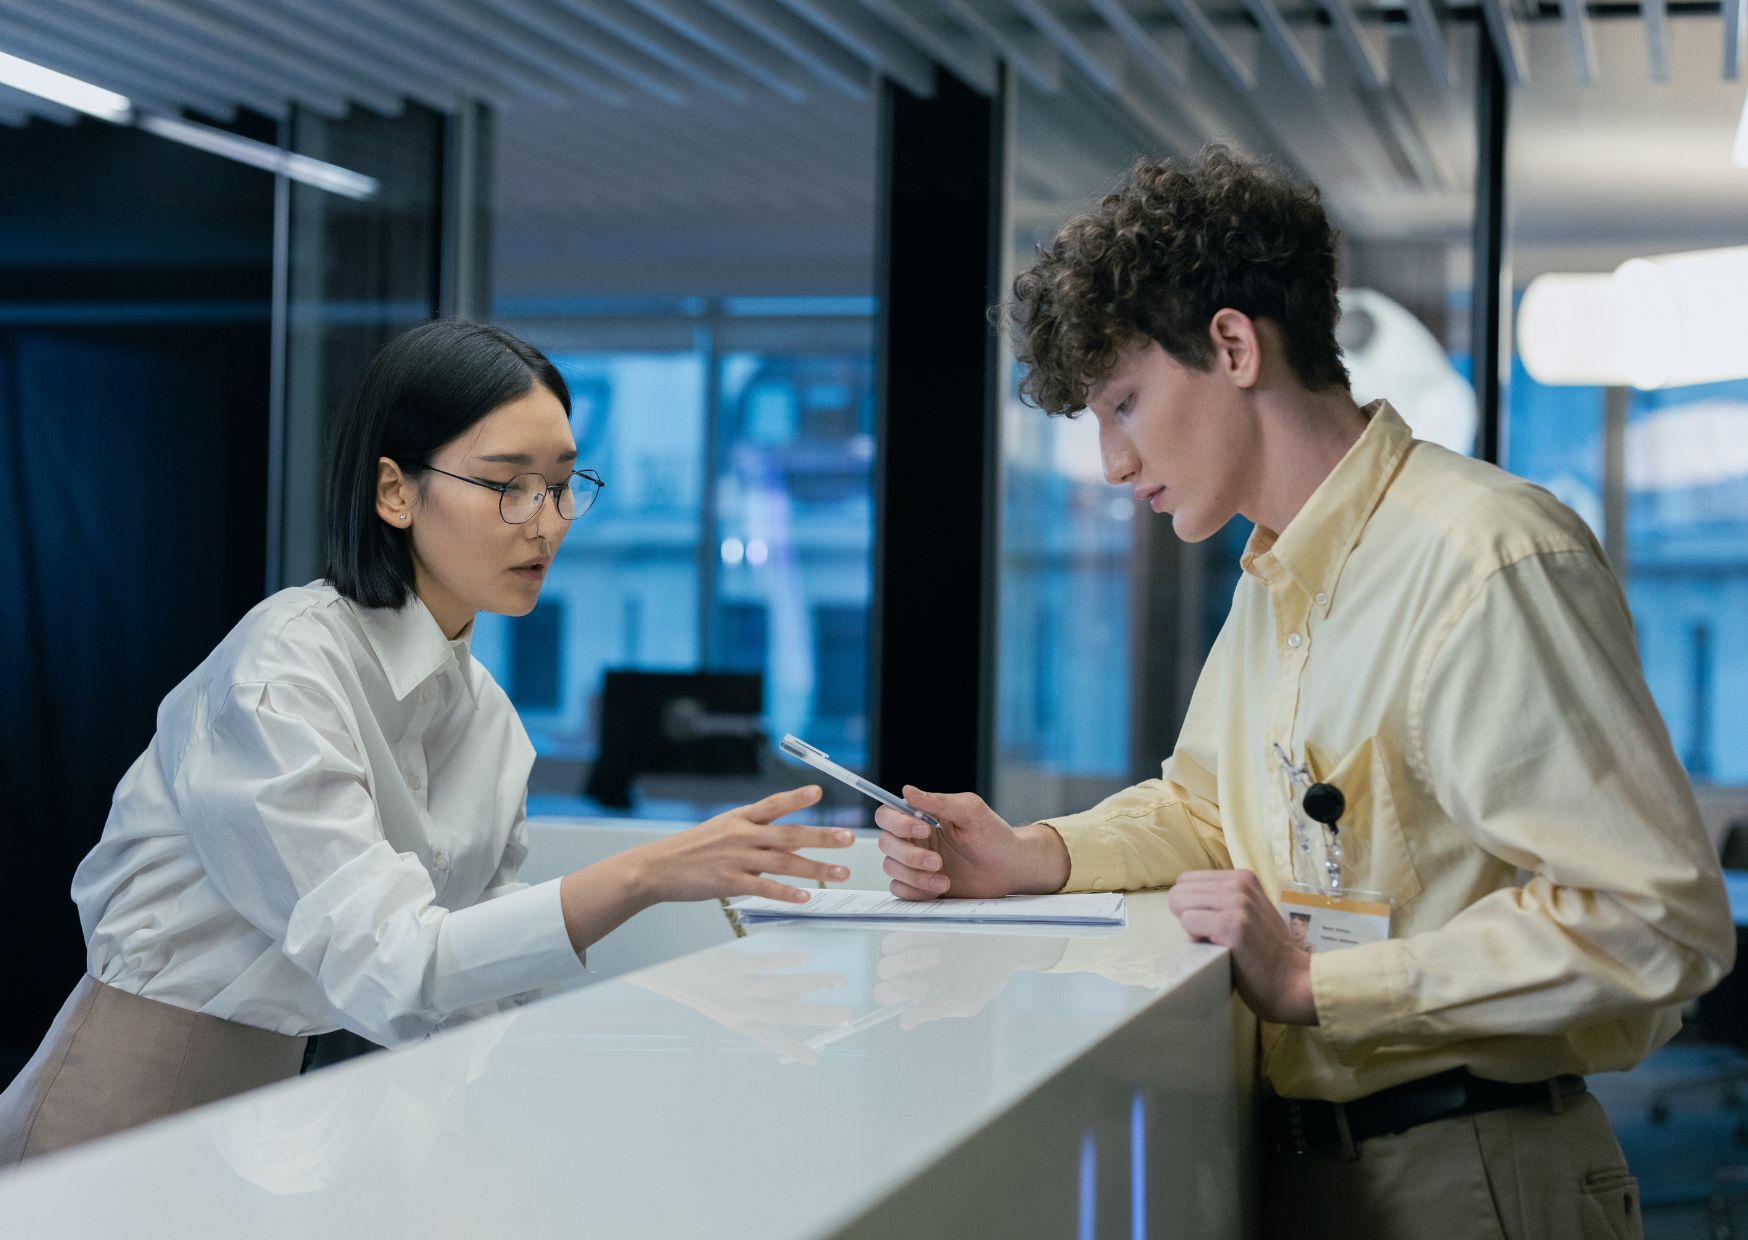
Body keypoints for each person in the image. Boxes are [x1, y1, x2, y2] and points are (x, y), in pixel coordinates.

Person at [871, 147, 1735, 1238]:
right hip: (1318, 1170)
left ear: (1231, 345)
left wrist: (1317, 988)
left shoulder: (1481, 558)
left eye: (1124, 403)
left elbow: (1653, 918)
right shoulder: (1275, 579)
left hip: (1470, 1172)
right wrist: (1029, 853)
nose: (1110, 463)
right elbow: (1202, 806)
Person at [0, 319, 850, 1166]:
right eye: (507, 485)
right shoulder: (282, 670)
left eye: (562, 485)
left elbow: (480, 995)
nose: (547, 523)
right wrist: (645, 875)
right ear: (395, 492)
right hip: (133, 1094)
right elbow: (392, 968)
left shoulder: (487, 718)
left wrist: (685, 1016)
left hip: (298, 1123)